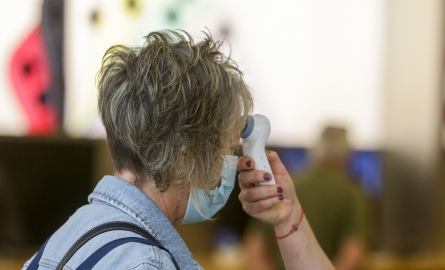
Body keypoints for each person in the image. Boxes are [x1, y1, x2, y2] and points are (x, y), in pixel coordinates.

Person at [22, 30, 333, 270]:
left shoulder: (67, 239)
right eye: (228, 148)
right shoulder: (146, 263)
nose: (229, 167)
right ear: (189, 151)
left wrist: (288, 217)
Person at [243, 126, 368, 270]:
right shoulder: (350, 193)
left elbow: (255, 245)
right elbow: (353, 253)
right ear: (346, 156)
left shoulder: (287, 184)